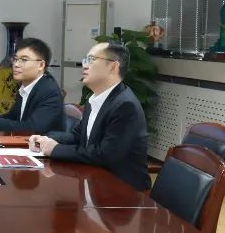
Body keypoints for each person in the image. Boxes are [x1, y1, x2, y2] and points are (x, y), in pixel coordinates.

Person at [29, 42, 149, 191]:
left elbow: (104, 156)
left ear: (113, 67)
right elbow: (77, 136)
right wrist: (44, 140)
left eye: (91, 60)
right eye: (85, 60)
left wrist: (55, 149)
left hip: (121, 192)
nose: (84, 65)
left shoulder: (124, 105)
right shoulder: (95, 99)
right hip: (95, 185)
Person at [0, 37, 63, 134]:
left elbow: (34, 128)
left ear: (41, 65)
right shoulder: (26, 87)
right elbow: (12, 117)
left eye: (24, 60)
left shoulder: (49, 92)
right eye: (15, 59)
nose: (16, 64)